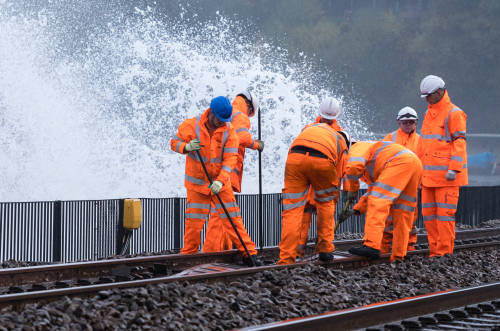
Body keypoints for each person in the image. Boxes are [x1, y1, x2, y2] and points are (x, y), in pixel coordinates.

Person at [170, 96, 261, 266]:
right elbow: (174, 142)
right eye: (219, 120)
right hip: (197, 186)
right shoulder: (192, 125)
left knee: (233, 220)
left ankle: (250, 254)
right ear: (211, 113)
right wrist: (186, 147)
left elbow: (230, 160)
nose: (222, 123)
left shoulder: (230, 131)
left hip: (220, 185)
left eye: (225, 120)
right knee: (193, 225)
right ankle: (187, 259)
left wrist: (220, 181)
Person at [278, 121, 350, 265]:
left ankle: (286, 258)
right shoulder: (342, 142)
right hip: (322, 162)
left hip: (294, 158)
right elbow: (341, 174)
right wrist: (343, 194)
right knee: (326, 205)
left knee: (292, 210)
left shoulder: (311, 128)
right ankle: (325, 249)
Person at [202, 90, 264, 252]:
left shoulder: (230, 111)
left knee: (223, 213)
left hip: (217, 167)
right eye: (251, 114)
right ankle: (211, 252)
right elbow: (241, 137)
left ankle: (224, 248)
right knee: (220, 213)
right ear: (249, 107)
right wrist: (256, 144)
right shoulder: (240, 115)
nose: (250, 117)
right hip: (228, 170)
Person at [345, 141, 422, 262]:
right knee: (403, 211)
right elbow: (373, 190)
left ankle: (371, 246)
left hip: (399, 162)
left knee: (378, 202)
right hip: (414, 163)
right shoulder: (376, 156)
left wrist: (353, 189)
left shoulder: (357, 147)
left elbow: (354, 167)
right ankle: (398, 255)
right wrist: (356, 209)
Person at [419, 75, 467, 257]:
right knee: (430, 217)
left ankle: (444, 253)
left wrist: (454, 169)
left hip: (447, 178)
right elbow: (426, 144)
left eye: (429, 96)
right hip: (429, 178)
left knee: (445, 216)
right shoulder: (428, 113)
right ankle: (434, 251)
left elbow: (459, 142)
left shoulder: (454, 113)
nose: (427, 100)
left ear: (439, 92)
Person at [297, 97, 344, 257]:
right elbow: (341, 164)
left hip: (316, 181)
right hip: (321, 181)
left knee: (312, 213)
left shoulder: (309, 128)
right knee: (319, 213)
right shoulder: (339, 134)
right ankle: (316, 249)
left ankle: (307, 249)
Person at [380, 107, 423, 254]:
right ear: (399, 122)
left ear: (416, 123)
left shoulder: (421, 141)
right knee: (387, 219)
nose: (408, 125)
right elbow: (381, 158)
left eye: (411, 122)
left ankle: (408, 247)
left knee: (409, 219)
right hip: (392, 185)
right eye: (405, 122)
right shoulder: (389, 138)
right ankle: (384, 248)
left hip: (411, 187)